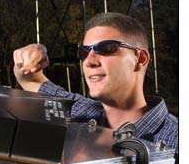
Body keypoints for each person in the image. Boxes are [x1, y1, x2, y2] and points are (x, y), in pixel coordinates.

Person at [13, 12, 178, 154]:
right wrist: (29, 57)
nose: (89, 61)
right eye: (84, 52)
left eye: (106, 48)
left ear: (140, 59)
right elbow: (29, 79)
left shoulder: (177, 141)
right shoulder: (79, 110)